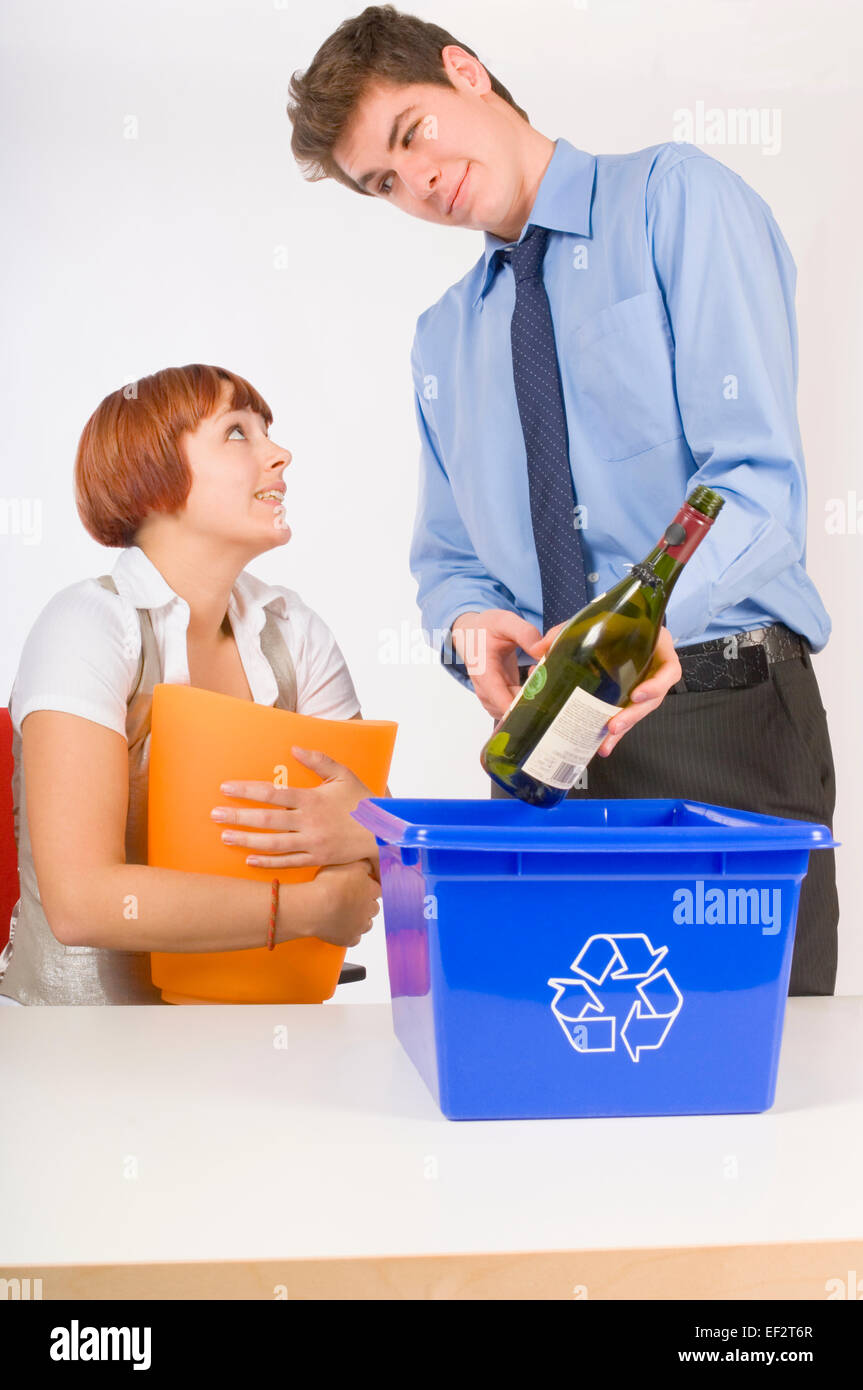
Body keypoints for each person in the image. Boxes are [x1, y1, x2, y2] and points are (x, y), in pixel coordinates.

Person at [286, 5, 838, 995]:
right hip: (545, 748)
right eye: (381, 182)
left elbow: (753, 483)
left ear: (464, 72)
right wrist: (467, 633)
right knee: (554, 1070)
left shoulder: (676, 202)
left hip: (715, 721)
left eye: (410, 133)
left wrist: (648, 620)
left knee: (750, 1071)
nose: (414, 182)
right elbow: (445, 558)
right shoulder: (442, 338)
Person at [0, 363, 385, 1006]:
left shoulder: (294, 630)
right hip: (81, 1049)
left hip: (261, 1034)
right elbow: (83, 901)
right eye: (238, 434)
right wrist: (307, 908)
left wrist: (368, 834)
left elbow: (378, 831)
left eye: (269, 431)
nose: (279, 454)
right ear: (149, 475)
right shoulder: (88, 624)